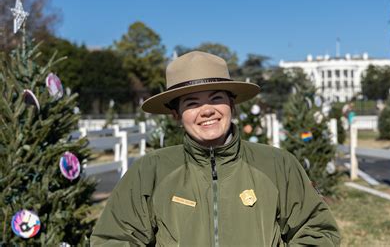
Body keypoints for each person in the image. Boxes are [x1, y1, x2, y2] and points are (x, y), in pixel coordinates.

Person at [91, 51, 340, 246]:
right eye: (192, 102)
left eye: (216, 98)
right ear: (176, 114)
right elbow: (115, 238)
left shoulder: (277, 165)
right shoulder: (151, 170)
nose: (207, 110)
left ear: (231, 104)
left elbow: (316, 230)